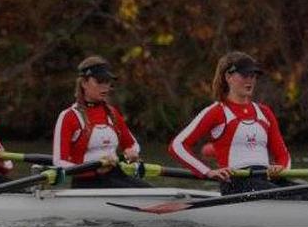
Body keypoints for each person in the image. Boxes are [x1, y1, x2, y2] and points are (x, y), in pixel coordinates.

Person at [168, 51, 291, 195]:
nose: (250, 80)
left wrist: (280, 168)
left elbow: (283, 156)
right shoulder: (217, 112)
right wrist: (207, 172)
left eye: (253, 75)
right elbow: (177, 146)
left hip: (265, 180)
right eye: (244, 75)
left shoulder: (265, 112)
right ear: (228, 77)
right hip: (236, 184)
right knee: (294, 197)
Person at [53, 55, 150, 188]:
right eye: (99, 81)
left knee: (153, 192)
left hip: (116, 176)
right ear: (84, 83)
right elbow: (59, 162)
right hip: (87, 184)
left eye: (108, 82)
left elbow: (132, 145)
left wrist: (130, 154)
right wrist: (94, 168)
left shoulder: (112, 113)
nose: (105, 87)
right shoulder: (69, 116)